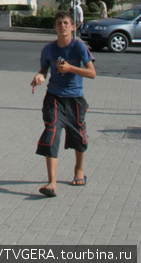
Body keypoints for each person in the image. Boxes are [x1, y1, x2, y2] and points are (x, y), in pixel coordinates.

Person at [31, 10, 96, 198]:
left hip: (75, 99)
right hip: (54, 98)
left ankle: (78, 169)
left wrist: (71, 68)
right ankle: (51, 183)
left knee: (79, 138)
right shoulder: (49, 49)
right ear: (55, 27)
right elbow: (44, 69)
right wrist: (39, 77)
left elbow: (92, 73)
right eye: (59, 23)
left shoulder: (79, 47)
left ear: (73, 26)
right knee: (51, 134)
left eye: (66, 23)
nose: (63, 26)